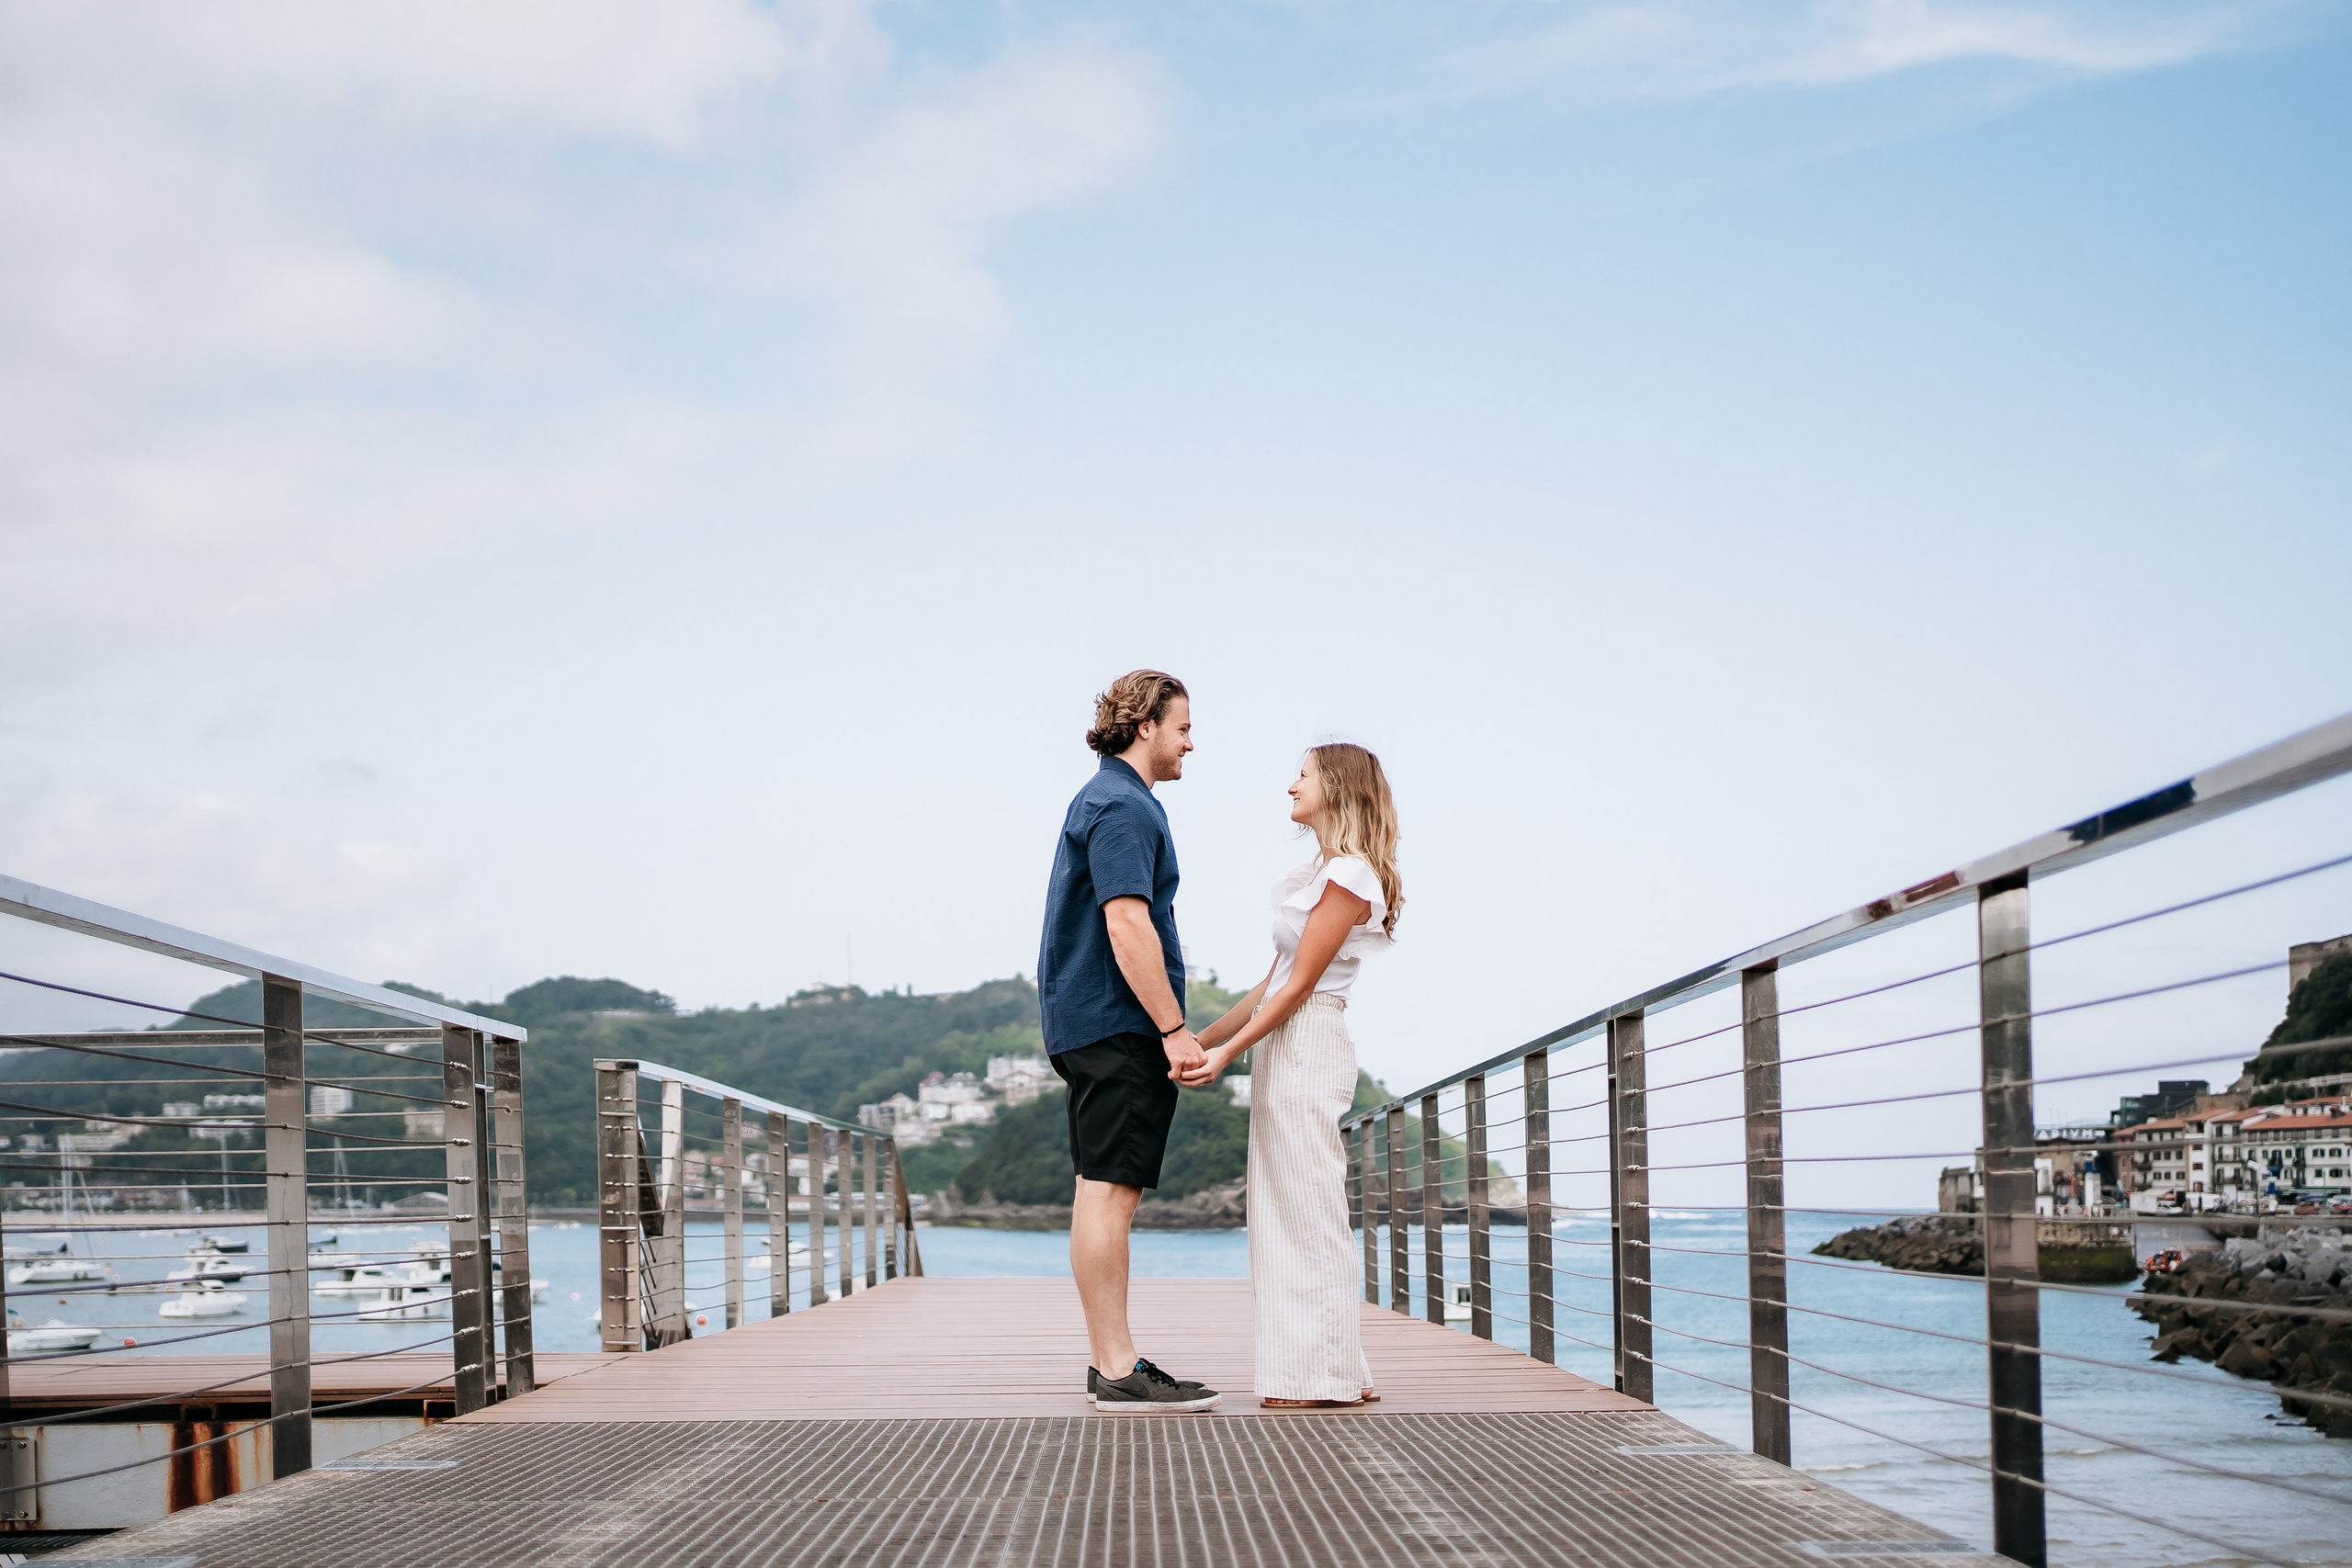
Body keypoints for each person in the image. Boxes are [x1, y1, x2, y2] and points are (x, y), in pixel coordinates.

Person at [1182, 742, 1401, 1408]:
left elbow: (1300, 986)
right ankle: (1341, 1370)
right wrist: (1203, 1039)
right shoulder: (1325, 870)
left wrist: (1223, 1057)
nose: (1290, 787)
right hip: (1288, 1037)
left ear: (1336, 785)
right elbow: (1271, 982)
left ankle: (1319, 1378)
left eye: (1302, 775)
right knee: (1295, 1209)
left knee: (1307, 1211)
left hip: (1306, 1037)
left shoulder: (1352, 874)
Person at [1037, 669, 1222, 1414]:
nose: (1189, 742)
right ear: (1145, 724)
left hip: (1089, 1019)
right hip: (1118, 1023)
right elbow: (1126, 920)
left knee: (1100, 1193)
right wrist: (1173, 1029)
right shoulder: (1123, 806)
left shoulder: (1103, 797)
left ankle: (1112, 1361)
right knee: (1111, 1196)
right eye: (1182, 727)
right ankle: (1116, 1369)